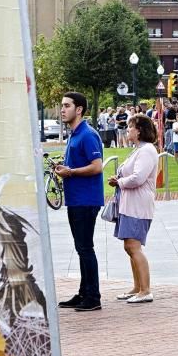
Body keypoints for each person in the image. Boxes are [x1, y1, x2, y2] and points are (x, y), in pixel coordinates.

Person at [55, 92, 105, 312]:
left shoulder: (87, 134)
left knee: (85, 248)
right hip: (76, 200)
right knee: (81, 247)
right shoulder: (75, 134)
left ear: (79, 109)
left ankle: (93, 297)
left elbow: (97, 166)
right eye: (62, 106)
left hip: (86, 200)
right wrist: (64, 167)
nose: (62, 110)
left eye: (67, 106)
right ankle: (84, 292)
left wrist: (71, 172)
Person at [109, 114, 158, 304]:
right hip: (130, 204)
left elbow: (138, 178)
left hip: (138, 206)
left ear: (139, 130)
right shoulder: (139, 150)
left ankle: (145, 290)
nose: (128, 130)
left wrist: (118, 181)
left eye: (130, 127)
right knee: (129, 247)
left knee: (133, 246)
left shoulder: (146, 150)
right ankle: (137, 287)